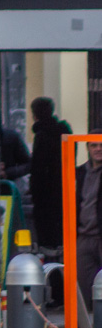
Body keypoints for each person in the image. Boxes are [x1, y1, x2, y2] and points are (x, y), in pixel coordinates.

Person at [31, 97, 73, 251]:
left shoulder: (42, 135)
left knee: (47, 241)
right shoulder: (64, 131)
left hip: (45, 196)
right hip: (64, 190)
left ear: (35, 115)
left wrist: (35, 189)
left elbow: (38, 169)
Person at [75, 132, 102, 314]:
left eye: (101, 145)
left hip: (100, 234)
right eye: (93, 145)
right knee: (80, 287)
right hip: (83, 236)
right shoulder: (80, 172)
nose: (98, 149)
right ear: (87, 148)